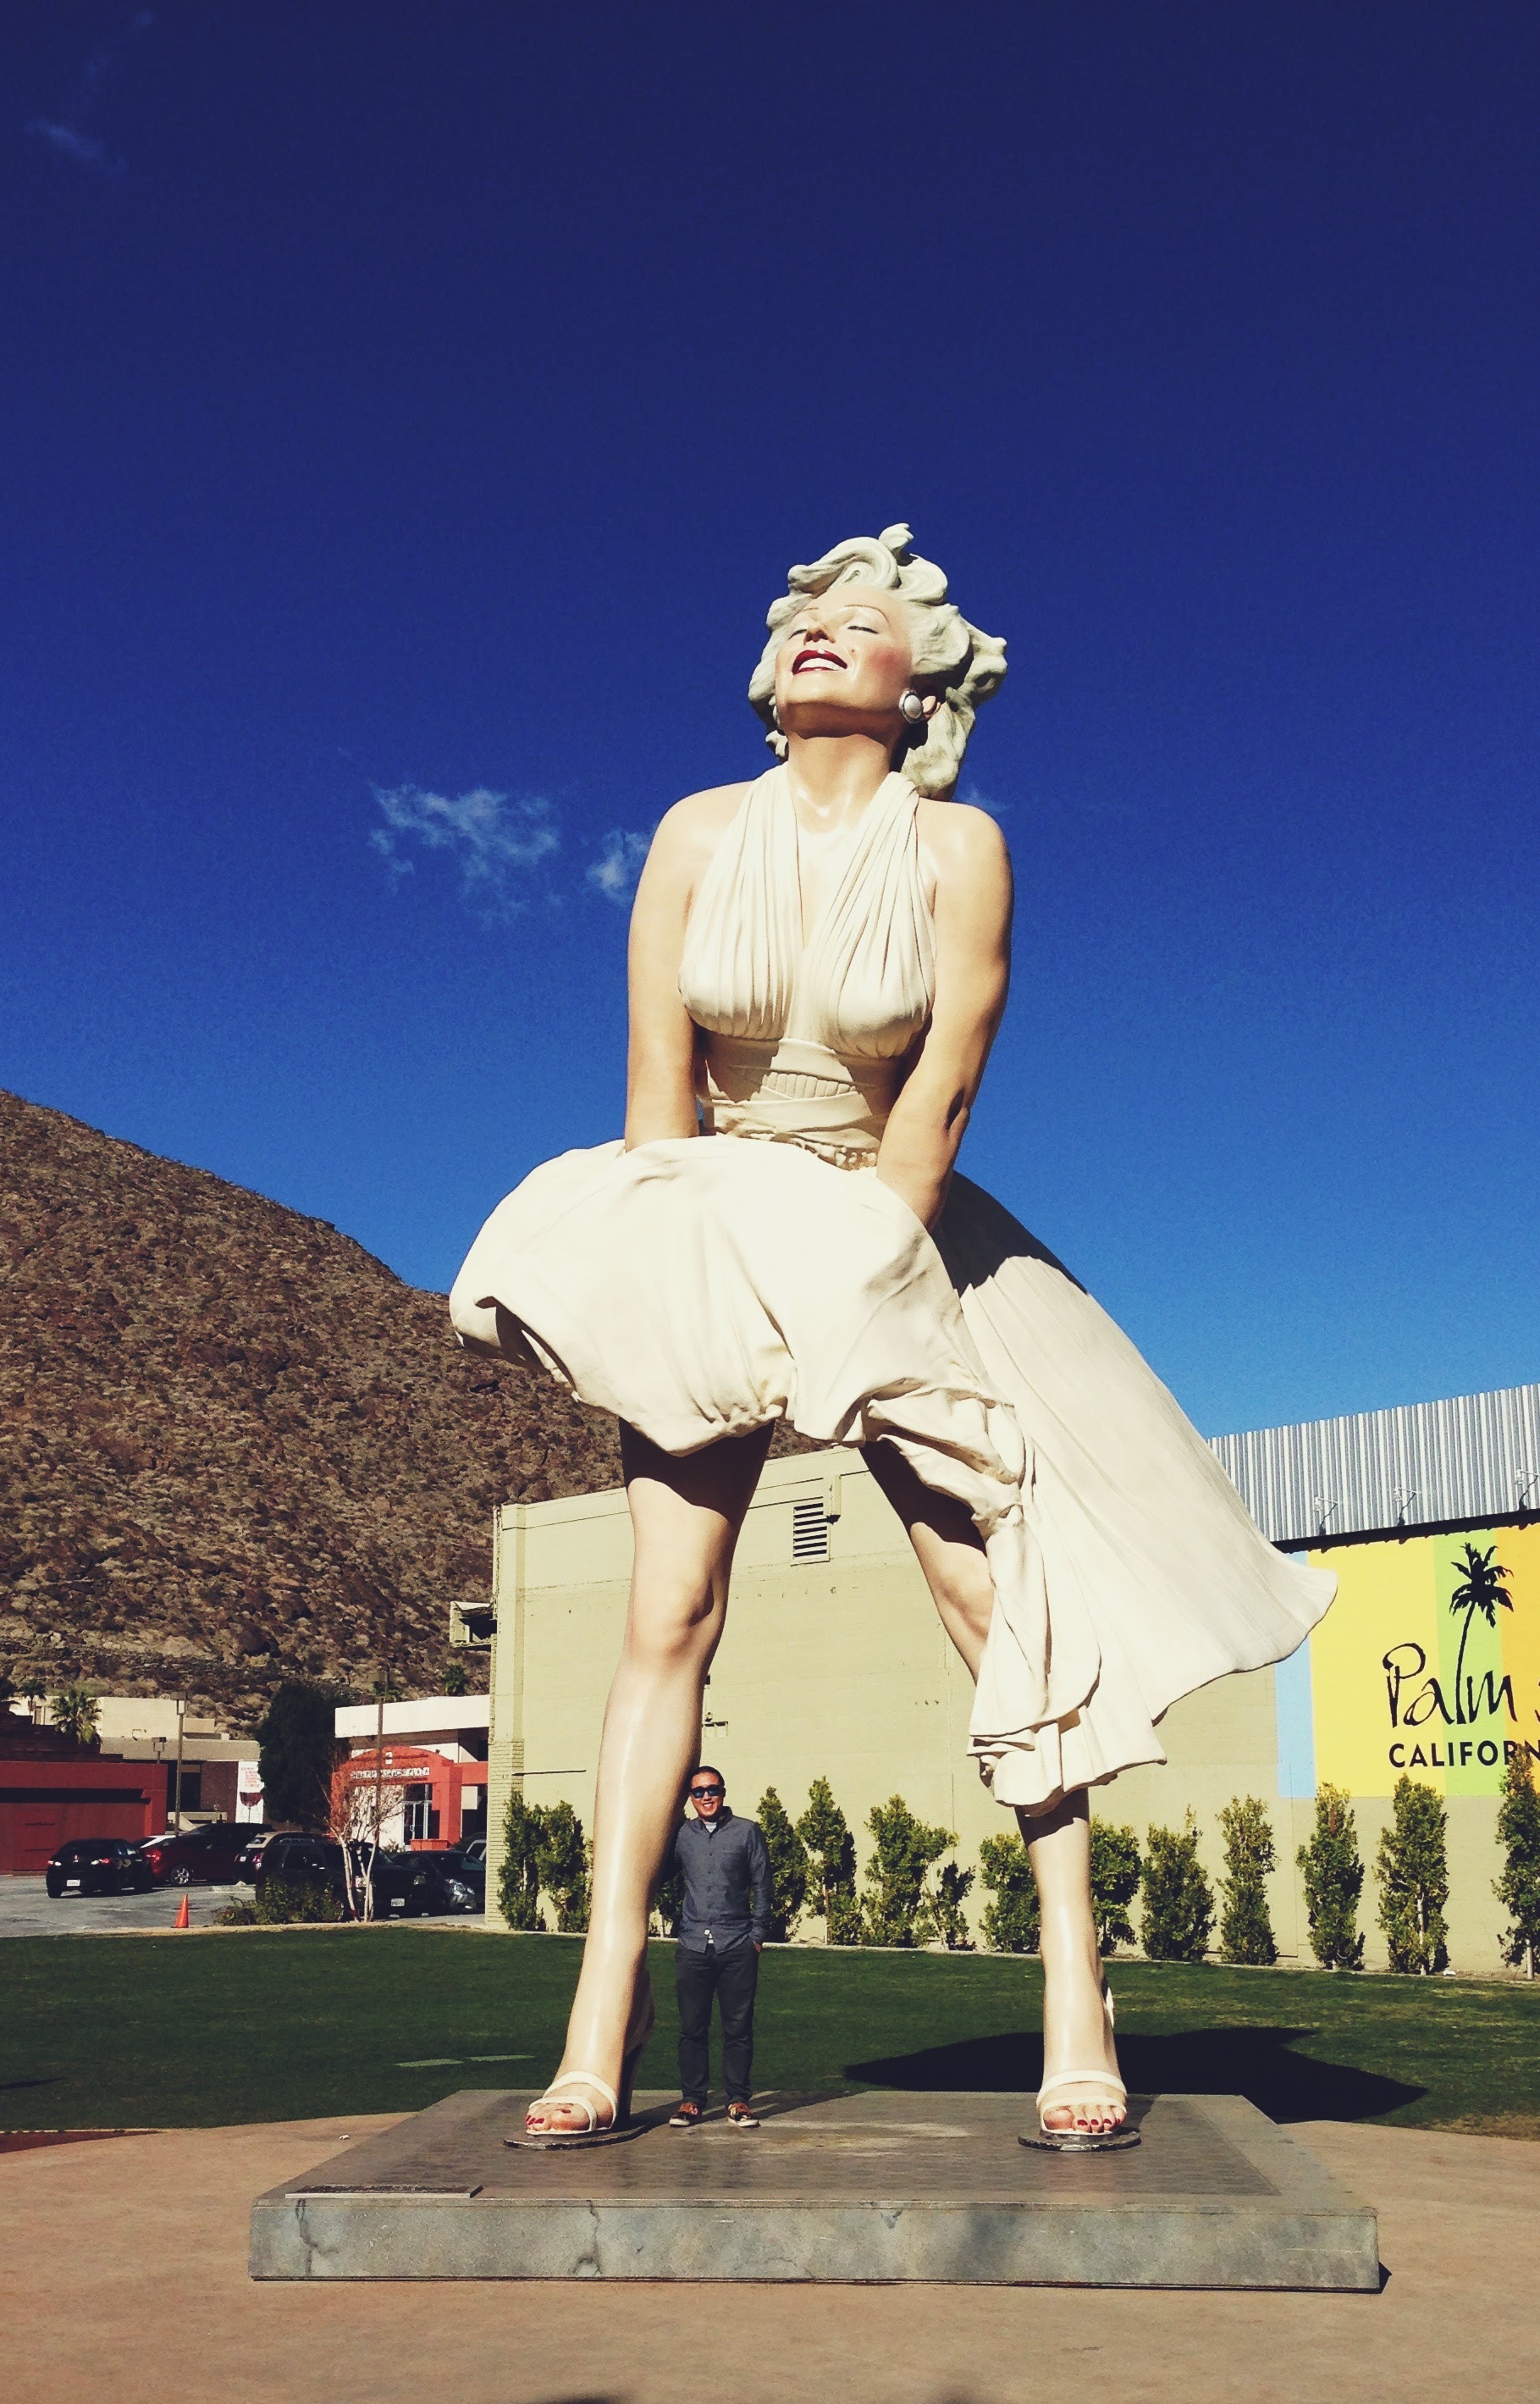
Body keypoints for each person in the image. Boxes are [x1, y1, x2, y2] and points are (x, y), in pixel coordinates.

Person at [455, 525, 1334, 2151]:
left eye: (856, 626)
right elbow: (656, 1092)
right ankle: (598, 2022)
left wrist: (856, 1291)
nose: (813, 636)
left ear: (914, 683)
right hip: (706, 1214)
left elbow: (932, 1102)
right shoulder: (693, 831)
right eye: (800, 619)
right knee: (666, 1608)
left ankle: (1078, 1991)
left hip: (888, 1227)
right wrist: (664, 1274)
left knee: (984, 1595)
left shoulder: (961, 850)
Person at [667, 1767, 767, 2129]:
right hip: (693, 1945)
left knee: (737, 2028)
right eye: (698, 1792)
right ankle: (692, 2101)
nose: (706, 1797)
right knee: (692, 2028)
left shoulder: (747, 1832)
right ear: (690, 1797)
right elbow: (663, 1874)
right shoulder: (682, 1836)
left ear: (723, 1793)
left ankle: (738, 2101)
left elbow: (763, 1885)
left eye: (713, 1790)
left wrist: (756, 1936)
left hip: (737, 1944)